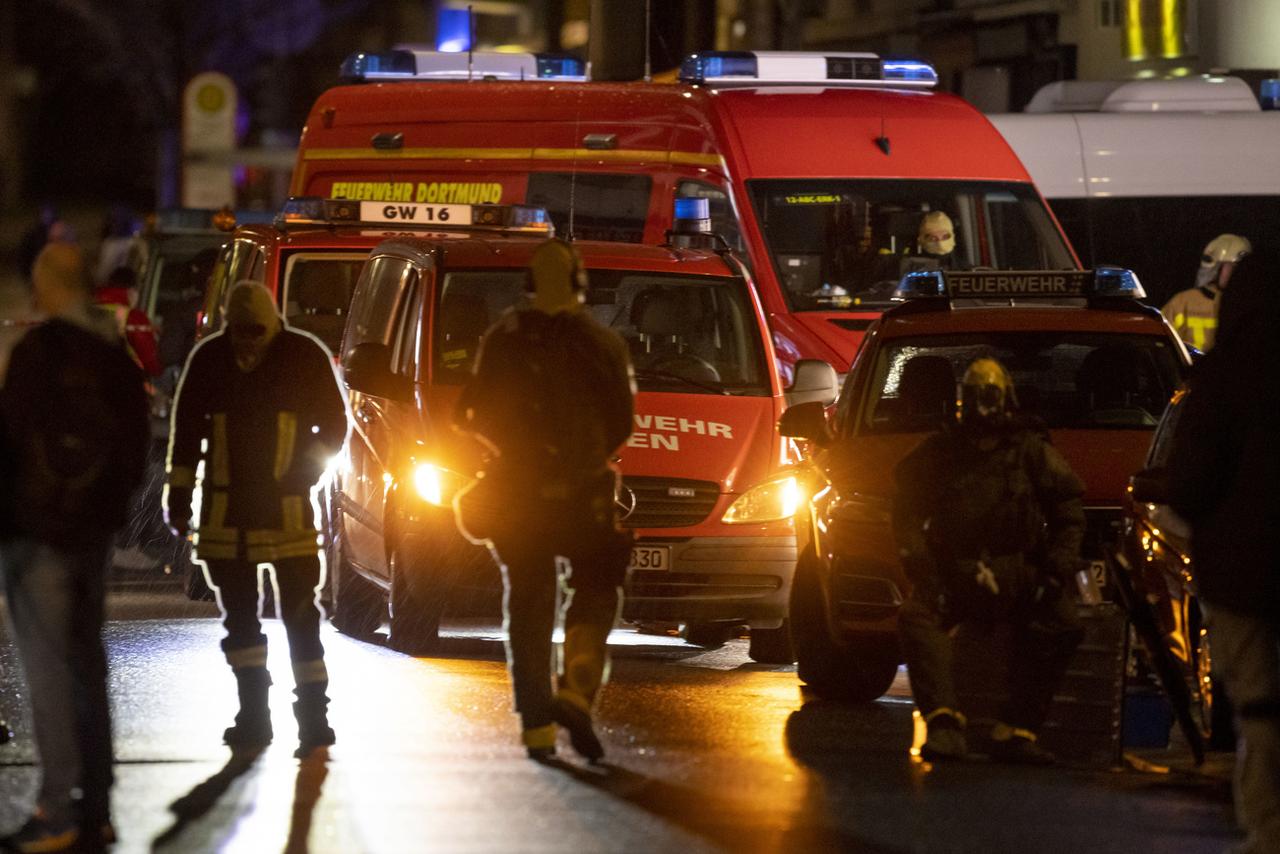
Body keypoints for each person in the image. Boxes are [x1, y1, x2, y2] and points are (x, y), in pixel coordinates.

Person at [452, 239, 635, 762]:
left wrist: (508, 452)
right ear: (580, 285)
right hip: (584, 495)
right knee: (597, 589)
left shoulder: (502, 339)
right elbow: (620, 422)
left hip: (516, 496)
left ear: (528, 284)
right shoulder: (603, 343)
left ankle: (536, 729)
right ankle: (576, 688)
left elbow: (468, 414)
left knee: (528, 606)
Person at [0, 242, 150, 852]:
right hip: (91, 537)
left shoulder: (41, 352)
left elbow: (10, 441)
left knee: (50, 675)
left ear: (50, 287)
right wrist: (104, 516)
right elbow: (136, 446)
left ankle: (57, 811)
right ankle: (98, 809)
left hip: (37, 536)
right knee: (89, 668)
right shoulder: (114, 355)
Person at [164, 282, 348, 758]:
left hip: (287, 508)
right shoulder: (209, 359)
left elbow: (334, 424)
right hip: (227, 511)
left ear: (273, 324)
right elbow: (186, 434)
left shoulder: (303, 355)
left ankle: (314, 718)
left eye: (255, 333)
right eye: (238, 333)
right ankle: (253, 714)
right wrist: (178, 497)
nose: (246, 343)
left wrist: (302, 475)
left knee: (301, 615)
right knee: (241, 619)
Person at [894, 356, 1086, 764]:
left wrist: (1056, 569)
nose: (984, 405)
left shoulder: (1031, 452)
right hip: (954, 574)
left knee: (1063, 621)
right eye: (976, 395)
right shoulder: (940, 453)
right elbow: (906, 509)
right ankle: (944, 723)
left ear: (1006, 399)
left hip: (1016, 572)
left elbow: (1069, 508)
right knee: (916, 616)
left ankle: (1017, 729)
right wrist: (922, 567)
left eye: (991, 395)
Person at [1165, 259, 1279, 853]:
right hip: (1244, 566)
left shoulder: (1225, 377)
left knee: (1260, 709)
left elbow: (1188, 483)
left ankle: (1268, 829)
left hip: (1242, 574)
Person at [1161, 233, 1250, 352]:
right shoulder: (1183, 303)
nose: (1239, 273)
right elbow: (1158, 341)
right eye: (1233, 267)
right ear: (1216, 268)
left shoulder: (1247, 307)